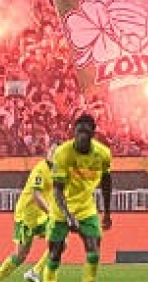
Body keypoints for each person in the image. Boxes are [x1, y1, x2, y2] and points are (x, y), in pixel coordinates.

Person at [45, 114, 112, 282]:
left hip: (85, 207)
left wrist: (107, 213)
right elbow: (57, 190)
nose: (82, 136)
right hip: (61, 207)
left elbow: (106, 182)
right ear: (74, 132)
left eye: (86, 132)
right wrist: (68, 216)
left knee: (94, 250)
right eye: (79, 132)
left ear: (92, 134)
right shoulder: (62, 153)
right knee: (55, 253)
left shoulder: (103, 154)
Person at [0, 146, 55, 282]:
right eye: (53, 152)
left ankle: (35, 271)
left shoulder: (58, 171)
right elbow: (36, 195)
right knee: (20, 255)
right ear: (48, 153)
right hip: (27, 216)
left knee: (60, 240)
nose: (55, 155)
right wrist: (51, 212)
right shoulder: (40, 169)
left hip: (42, 216)